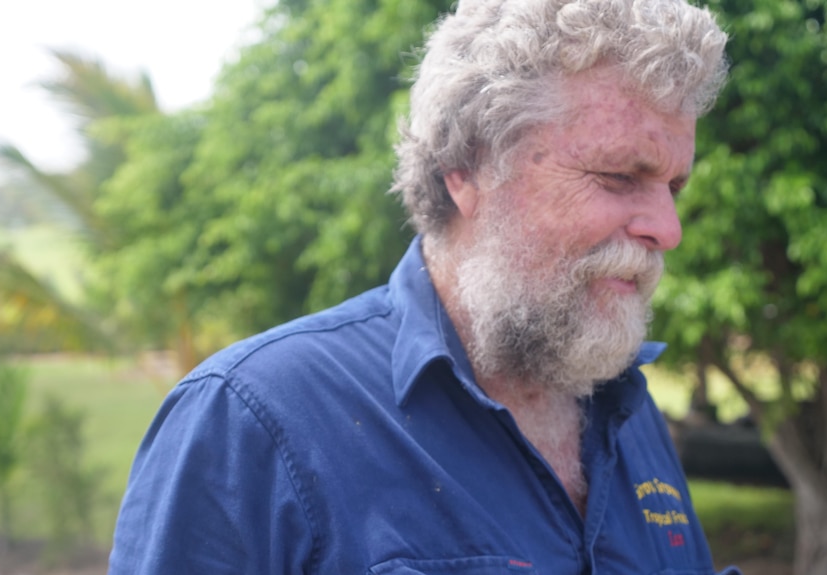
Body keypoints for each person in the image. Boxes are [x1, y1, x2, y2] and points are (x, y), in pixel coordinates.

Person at [109, 1, 740, 573]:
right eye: (618, 176)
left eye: (673, 188)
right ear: (464, 170)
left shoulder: (630, 413)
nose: (668, 228)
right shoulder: (250, 423)